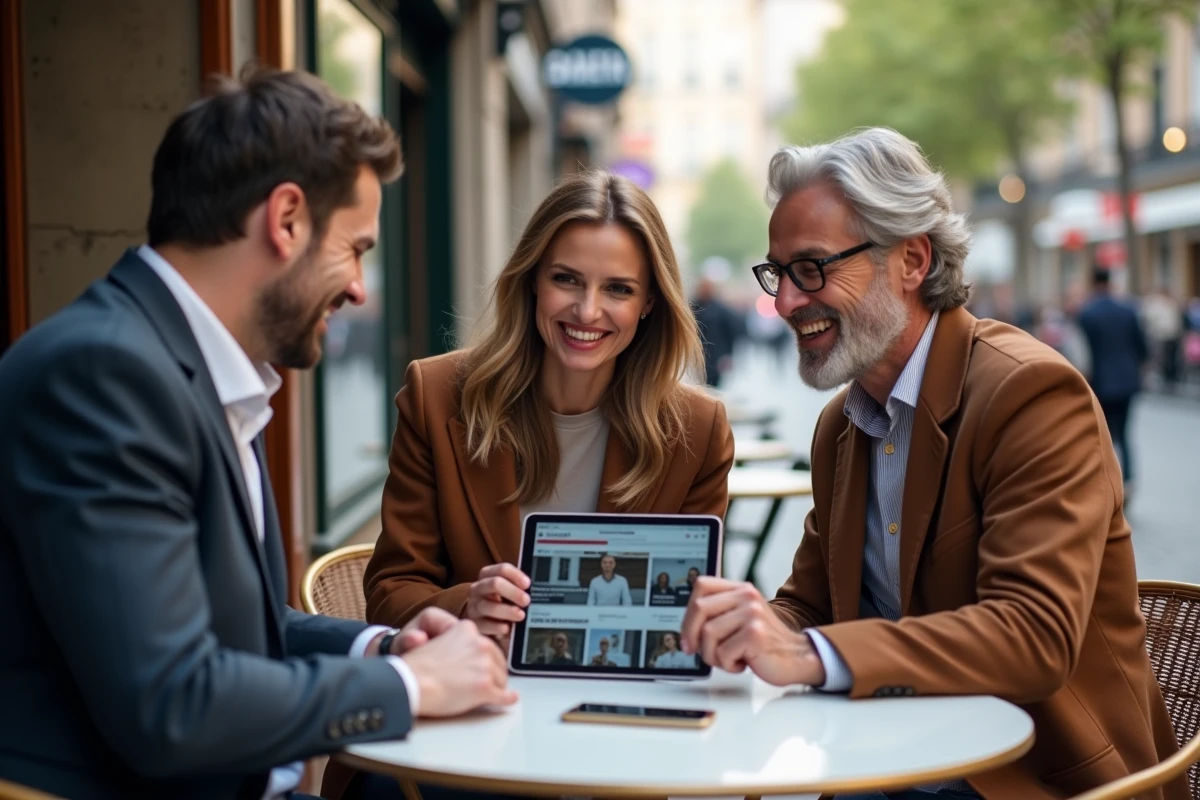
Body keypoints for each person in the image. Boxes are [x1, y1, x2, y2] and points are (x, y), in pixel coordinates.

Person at [0, 67, 513, 800]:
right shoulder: (104, 375)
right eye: (356, 248)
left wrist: (382, 646)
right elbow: (172, 705)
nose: (359, 287)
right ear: (287, 219)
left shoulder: (184, 369)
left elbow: (234, 629)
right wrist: (409, 685)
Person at [681, 128, 1183, 800]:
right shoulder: (841, 426)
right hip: (892, 757)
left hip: (1037, 778)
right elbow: (810, 603)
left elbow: (1033, 635)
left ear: (912, 260)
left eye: (813, 268)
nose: (787, 302)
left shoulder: (1029, 393)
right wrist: (744, 629)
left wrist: (806, 654)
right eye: (778, 273)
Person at [360, 170, 734, 634]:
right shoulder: (434, 397)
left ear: (649, 303)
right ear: (533, 278)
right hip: (472, 672)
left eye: (618, 288)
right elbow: (390, 592)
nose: (587, 310)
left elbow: (685, 609)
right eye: (566, 279)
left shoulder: (699, 430)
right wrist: (466, 607)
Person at [1078, 268, 1148, 494]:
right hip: (1127, 380)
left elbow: (1082, 352)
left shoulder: (1087, 313)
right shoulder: (1128, 310)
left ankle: (1108, 481)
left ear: (1093, 282)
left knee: (1104, 434)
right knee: (1125, 433)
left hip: (1100, 382)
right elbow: (1142, 347)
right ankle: (1128, 480)